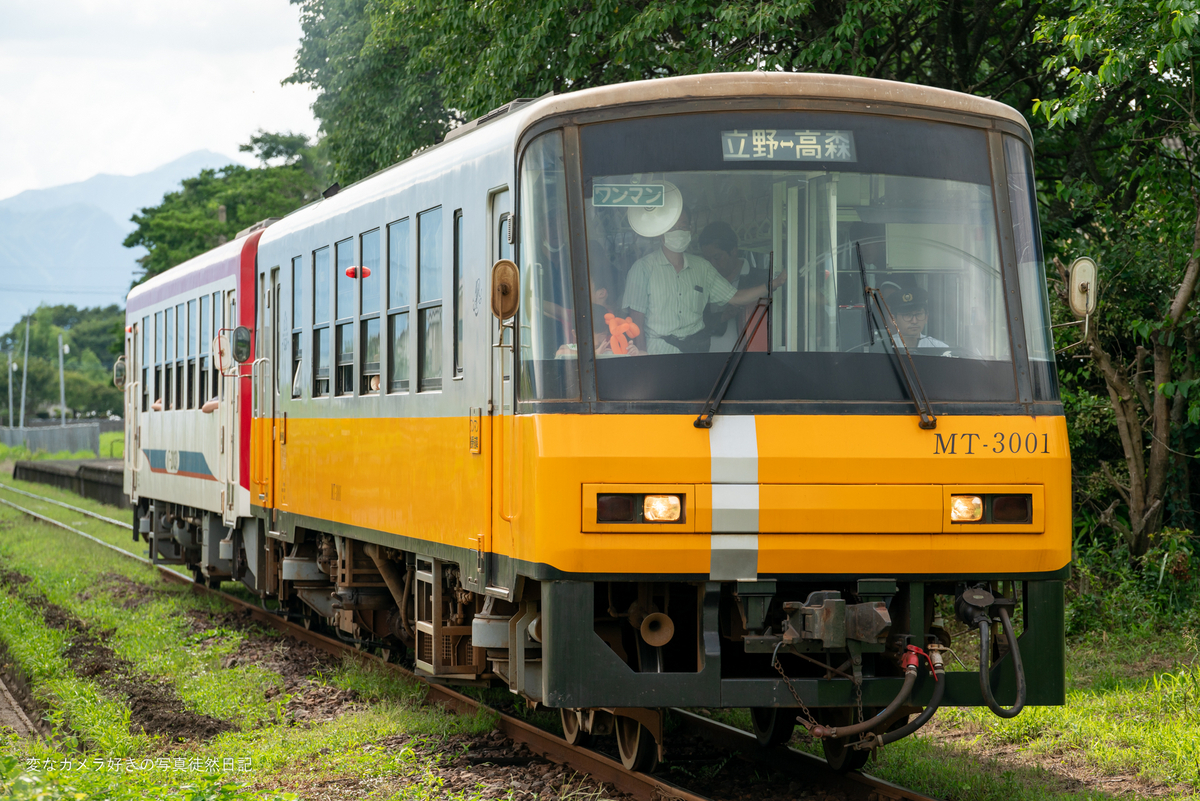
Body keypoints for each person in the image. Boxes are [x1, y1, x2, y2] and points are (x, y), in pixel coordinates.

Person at [621, 186, 783, 355]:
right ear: (661, 232)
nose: (679, 232)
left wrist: (773, 284)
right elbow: (635, 322)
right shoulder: (643, 269)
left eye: (683, 227)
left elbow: (736, 297)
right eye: (672, 228)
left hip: (696, 353)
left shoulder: (702, 267)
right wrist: (641, 357)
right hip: (658, 354)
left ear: (690, 230)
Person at [698, 222, 769, 352]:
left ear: (733, 251)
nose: (711, 265)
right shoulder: (701, 282)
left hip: (748, 360)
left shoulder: (760, 280)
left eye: (717, 257)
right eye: (706, 259)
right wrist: (722, 317)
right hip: (709, 360)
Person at [881, 283, 948, 349]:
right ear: (893, 319)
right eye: (907, 315)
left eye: (919, 314)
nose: (914, 321)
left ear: (926, 317)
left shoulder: (938, 348)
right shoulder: (883, 348)